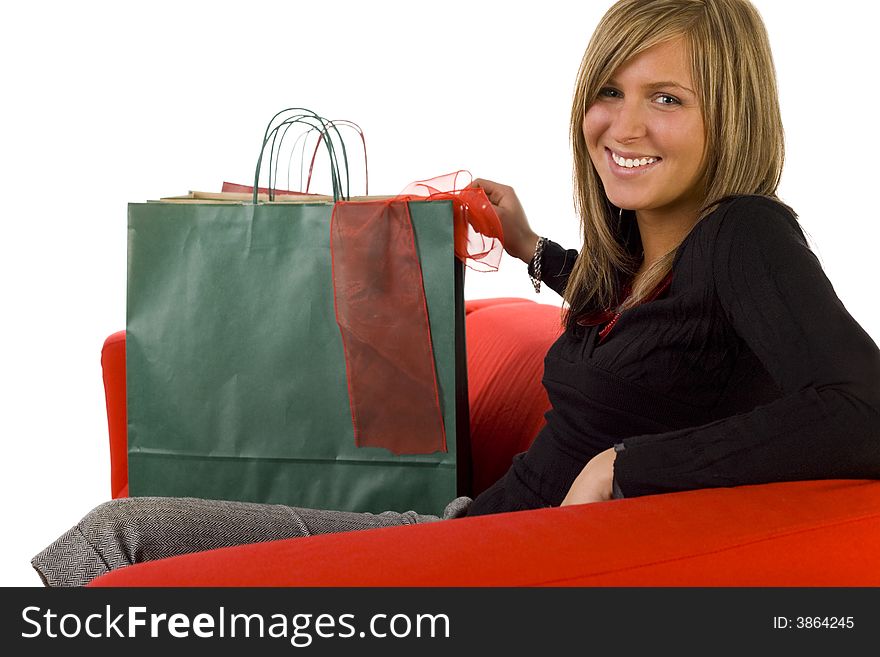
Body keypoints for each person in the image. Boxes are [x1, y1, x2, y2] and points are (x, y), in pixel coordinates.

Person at [32, 0, 880, 586]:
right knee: (122, 535)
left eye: (666, 99)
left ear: (729, 115)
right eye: (610, 92)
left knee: (116, 541)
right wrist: (529, 247)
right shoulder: (656, 254)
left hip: (476, 564)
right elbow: (637, 314)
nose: (623, 127)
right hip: (462, 529)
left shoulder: (746, 235)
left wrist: (629, 466)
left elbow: (864, 408)